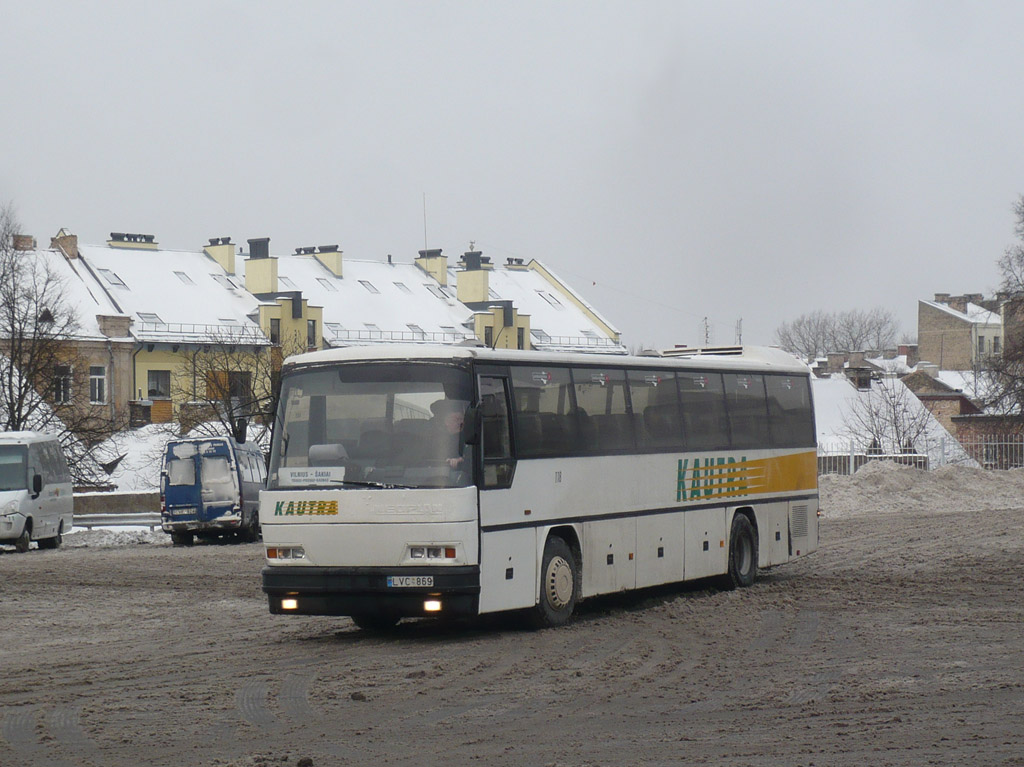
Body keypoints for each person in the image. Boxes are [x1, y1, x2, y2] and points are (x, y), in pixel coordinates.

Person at [429, 399, 467, 468]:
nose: (461, 423)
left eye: (462, 419)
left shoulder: (468, 438)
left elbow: (471, 457)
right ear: (444, 421)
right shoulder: (430, 438)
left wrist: (460, 460)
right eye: (457, 419)